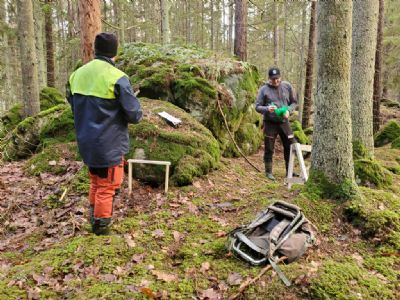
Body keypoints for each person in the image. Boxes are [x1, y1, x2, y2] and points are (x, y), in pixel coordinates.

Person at [67, 32, 142, 235]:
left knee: (95, 181)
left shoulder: (77, 74)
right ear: (114, 53)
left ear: (95, 50)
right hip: (109, 143)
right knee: (107, 185)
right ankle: (101, 229)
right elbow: (134, 114)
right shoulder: (117, 78)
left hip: (86, 140)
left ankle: (94, 219)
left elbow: (72, 103)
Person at [255, 67, 297, 181]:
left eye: (277, 78)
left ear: (280, 77)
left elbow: (294, 102)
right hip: (270, 123)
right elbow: (257, 107)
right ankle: (268, 172)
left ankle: (290, 171)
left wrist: (289, 110)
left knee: (291, 145)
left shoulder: (287, 86)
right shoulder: (263, 90)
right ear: (269, 79)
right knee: (269, 147)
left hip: (284, 122)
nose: (276, 81)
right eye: (273, 79)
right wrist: (267, 108)